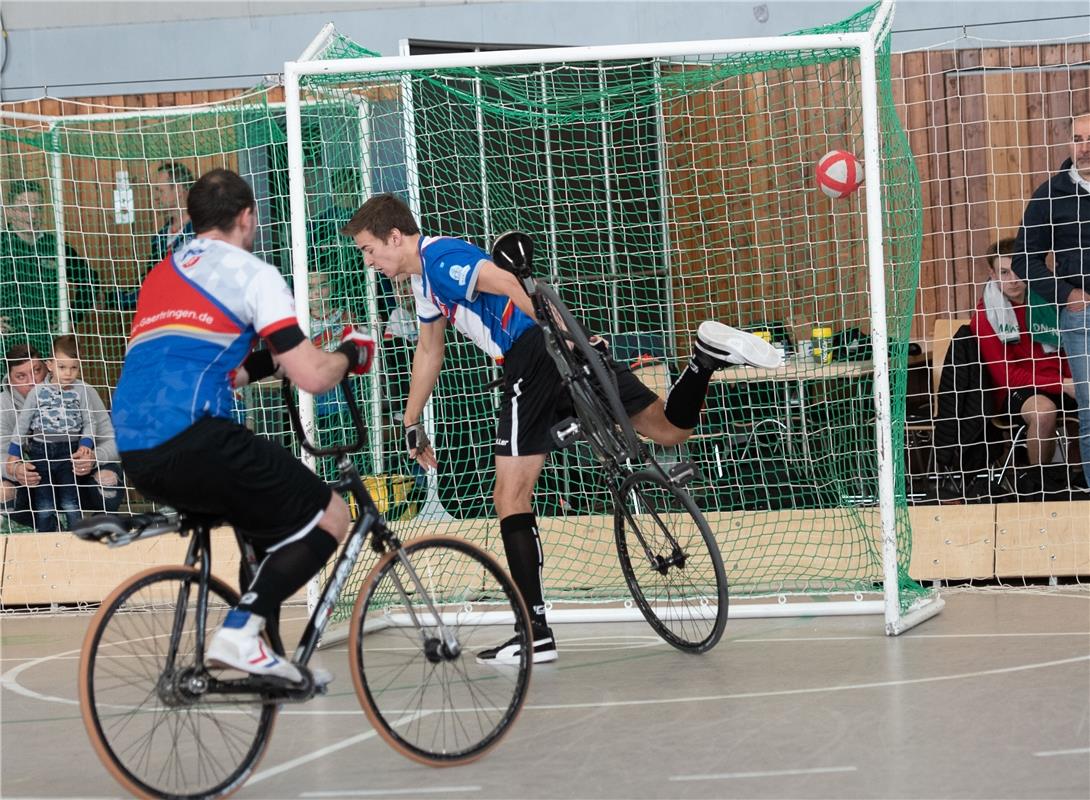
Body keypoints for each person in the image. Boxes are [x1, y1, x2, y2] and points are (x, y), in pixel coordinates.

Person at [343, 193, 782, 665]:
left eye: (370, 249)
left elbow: (513, 283)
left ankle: (533, 634)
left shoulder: (439, 258)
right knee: (669, 429)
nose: (370, 261)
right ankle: (702, 361)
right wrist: (411, 422)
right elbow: (429, 352)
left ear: (394, 237)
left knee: (510, 498)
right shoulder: (424, 283)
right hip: (560, 350)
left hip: (531, 355)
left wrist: (567, 334)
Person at [111, 168, 375, 684]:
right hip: (196, 438)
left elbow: (229, 371)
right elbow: (314, 377)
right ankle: (238, 633)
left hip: (136, 451)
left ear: (192, 219)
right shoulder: (254, 274)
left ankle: (262, 656)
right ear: (247, 216)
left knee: (262, 530)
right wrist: (350, 352)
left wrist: (266, 364)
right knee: (331, 518)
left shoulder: (162, 274)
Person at [1011, 111, 1090, 487]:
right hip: (1082, 319)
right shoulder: (1051, 193)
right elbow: (1024, 257)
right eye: (1078, 138)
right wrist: (1065, 294)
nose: (1084, 147)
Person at [970, 238, 1074, 471]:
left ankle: (1080, 477)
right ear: (992, 273)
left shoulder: (1049, 301)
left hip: (1059, 382)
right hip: (1016, 391)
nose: (1013, 280)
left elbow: (1068, 352)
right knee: (1044, 411)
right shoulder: (985, 315)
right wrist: (1063, 384)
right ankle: (1040, 483)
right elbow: (1006, 376)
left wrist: (1076, 382)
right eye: (1004, 273)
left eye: (1018, 271)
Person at [0, 342, 122, 530]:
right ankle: (51, 531)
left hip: (77, 475)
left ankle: (96, 529)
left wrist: (93, 458)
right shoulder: (3, 406)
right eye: (21, 376)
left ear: (48, 367)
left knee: (108, 480)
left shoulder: (83, 391)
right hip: (36, 482)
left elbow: (113, 441)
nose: (32, 381)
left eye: (36, 370)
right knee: (2, 492)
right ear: (10, 380)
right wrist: (15, 470)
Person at [0, 180, 98, 356]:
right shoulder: (2, 244)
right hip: (7, 344)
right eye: (24, 209)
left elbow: (90, 281)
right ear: (9, 211)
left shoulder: (55, 246)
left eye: (38, 208)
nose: (33, 216)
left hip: (47, 343)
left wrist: (72, 317)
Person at [117, 162, 197, 311]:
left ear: (178, 190)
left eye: (160, 191)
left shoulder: (201, 233)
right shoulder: (159, 238)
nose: (155, 198)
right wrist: (114, 299)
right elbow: (150, 287)